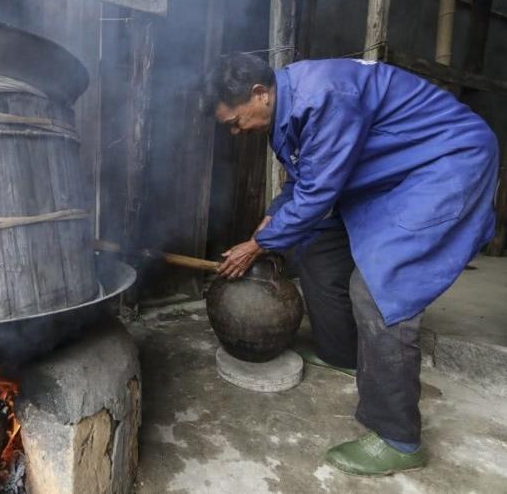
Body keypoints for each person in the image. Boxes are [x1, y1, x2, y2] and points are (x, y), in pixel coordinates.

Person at [203, 53, 498, 476]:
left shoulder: (324, 96)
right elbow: (303, 181)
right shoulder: (285, 109)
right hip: (389, 171)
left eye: (234, 121)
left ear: (258, 94)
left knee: (381, 288)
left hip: (447, 162)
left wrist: (257, 244)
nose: (235, 132)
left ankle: (398, 438)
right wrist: (270, 222)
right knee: (318, 247)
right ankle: (342, 352)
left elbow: (318, 193)